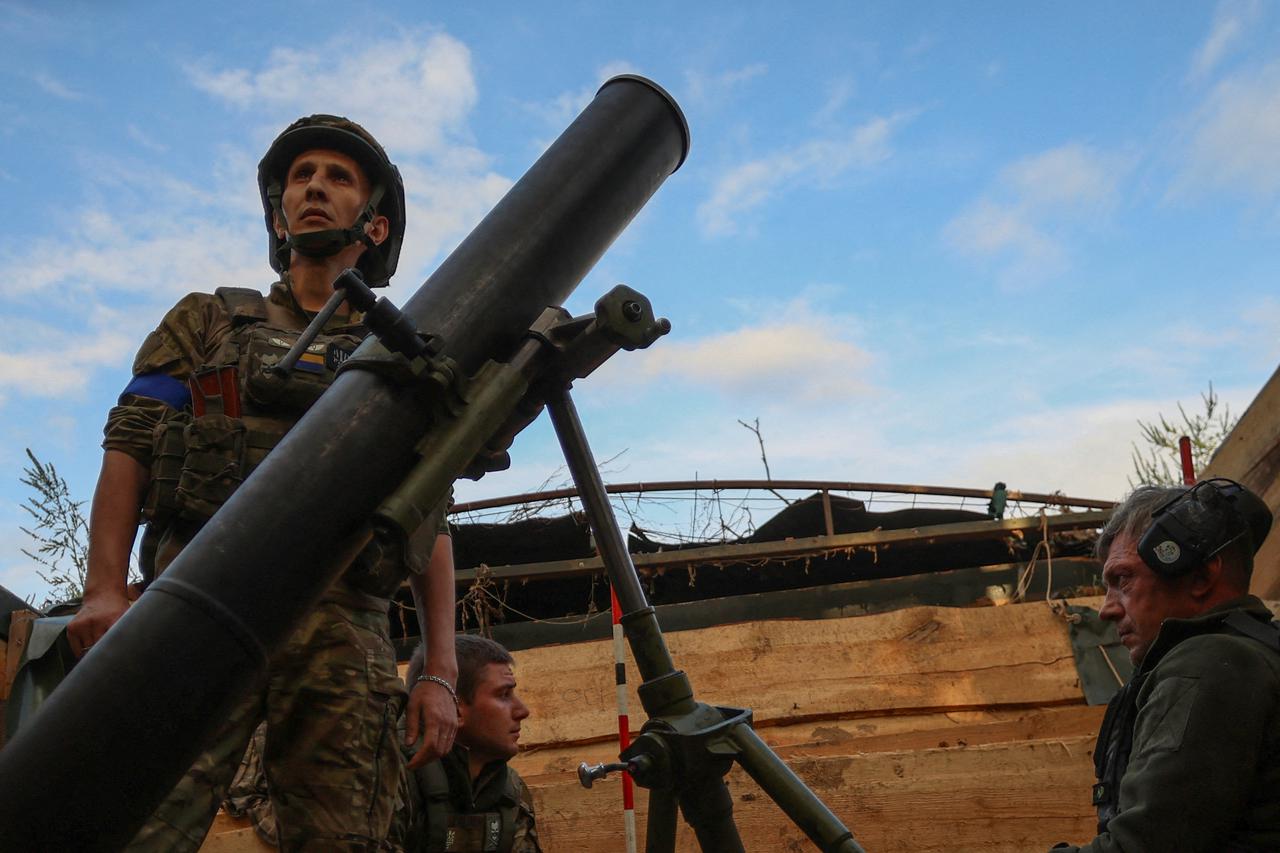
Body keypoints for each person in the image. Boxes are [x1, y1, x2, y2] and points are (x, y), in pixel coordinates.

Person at [66, 114, 460, 851]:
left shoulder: (400, 350)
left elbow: (429, 509)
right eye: (301, 176)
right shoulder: (208, 319)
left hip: (344, 623)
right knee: (140, 825)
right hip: (198, 596)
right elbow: (130, 444)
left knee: (345, 840)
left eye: (339, 178)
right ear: (278, 211)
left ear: (373, 226)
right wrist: (105, 588)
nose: (313, 187)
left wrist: (440, 669)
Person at [1051, 478, 1280, 852]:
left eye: (1123, 580)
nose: (1107, 608)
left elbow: (1144, 847)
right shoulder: (1256, 653)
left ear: (1202, 576)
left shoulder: (1210, 664)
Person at [396, 635, 542, 852]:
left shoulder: (509, 791)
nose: (522, 711)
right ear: (452, 707)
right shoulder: (391, 776)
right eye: (504, 694)